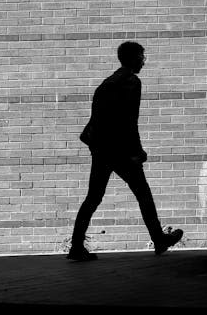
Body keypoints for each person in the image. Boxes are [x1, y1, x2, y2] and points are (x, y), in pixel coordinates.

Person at [67, 41, 183, 261]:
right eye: (141, 56)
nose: (143, 61)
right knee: (143, 194)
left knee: (93, 198)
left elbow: (98, 119)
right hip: (119, 151)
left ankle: (75, 246)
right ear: (131, 58)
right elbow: (129, 120)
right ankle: (159, 240)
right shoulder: (131, 82)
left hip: (101, 149)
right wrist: (137, 151)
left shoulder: (107, 82)